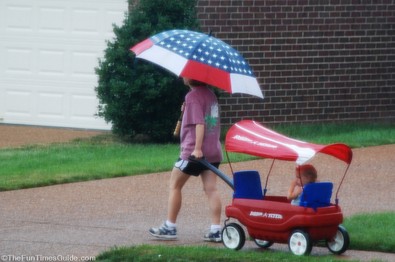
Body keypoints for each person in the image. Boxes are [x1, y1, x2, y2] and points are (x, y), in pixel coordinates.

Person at [149, 77, 223, 242]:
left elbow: (200, 124)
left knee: (175, 185)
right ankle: (216, 230)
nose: (182, 76)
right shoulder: (210, 95)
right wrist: (187, 109)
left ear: (192, 77)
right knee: (211, 189)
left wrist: (197, 148)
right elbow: (207, 118)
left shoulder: (192, 97)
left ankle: (170, 227)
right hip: (213, 151)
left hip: (193, 152)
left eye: (185, 73)